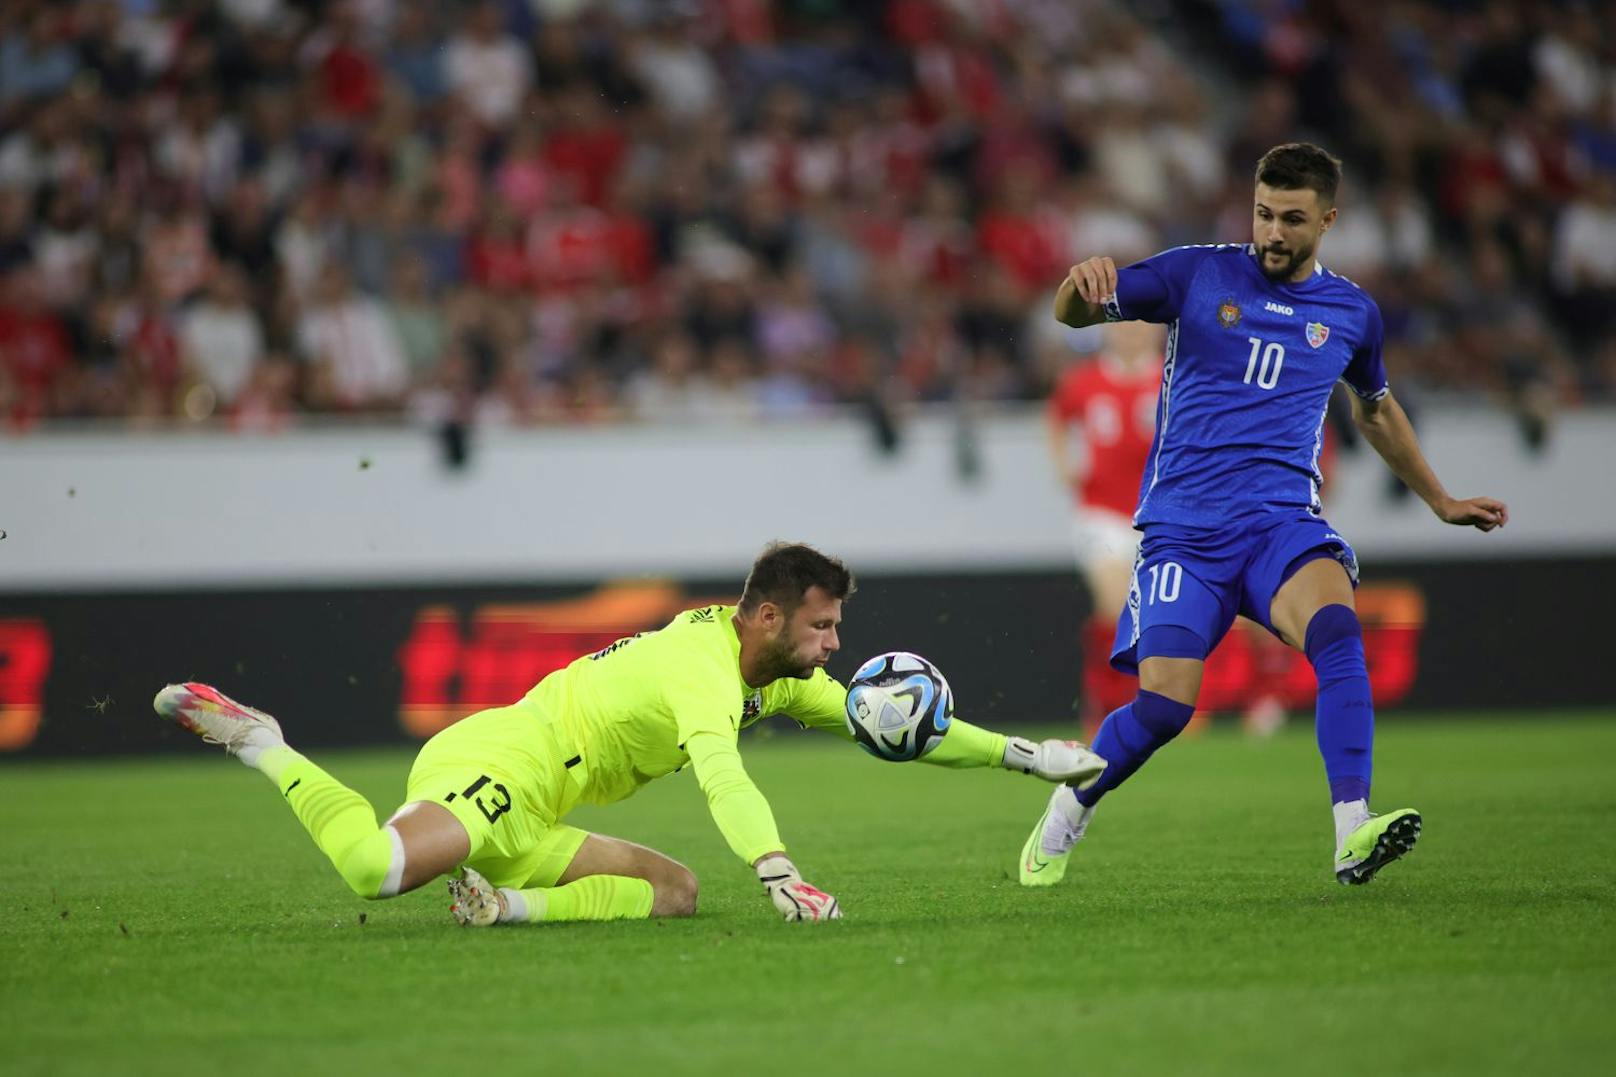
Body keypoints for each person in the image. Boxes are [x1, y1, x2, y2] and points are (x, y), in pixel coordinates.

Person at [1019, 143, 1509, 889]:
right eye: (1263, 213)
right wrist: (1075, 288)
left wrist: (1439, 499)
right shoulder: (1196, 273)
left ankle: (1352, 829)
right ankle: (1068, 806)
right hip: (1184, 530)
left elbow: (1374, 410)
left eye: (1291, 219)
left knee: (1338, 634)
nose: (1273, 232)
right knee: (1164, 708)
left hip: (1282, 524)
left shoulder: (1350, 312)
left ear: (1327, 220)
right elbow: (1076, 313)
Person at [155, 542, 1106, 925]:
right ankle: (263, 741)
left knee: (674, 893)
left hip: (541, 808)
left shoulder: (770, 675)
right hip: (500, 762)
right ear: (767, 618)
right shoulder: (703, 668)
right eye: (821, 626)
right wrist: (778, 869)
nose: (835, 646)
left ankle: (506, 908)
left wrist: (1026, 757)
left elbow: (895, 729)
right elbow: (723, 777)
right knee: (372, 869)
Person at [1046, 320, 1162, 731]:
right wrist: (1064, 465)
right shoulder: (1084, 382)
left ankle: (1150, 706)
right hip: (1103, 514)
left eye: (1140, 325)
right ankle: (1106, 708)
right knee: (1114, 607)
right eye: (1123, 325)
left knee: (1157, 619)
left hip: (1159, 517)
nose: (1131, 333)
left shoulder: (1173, 378)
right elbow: (1055, 417)